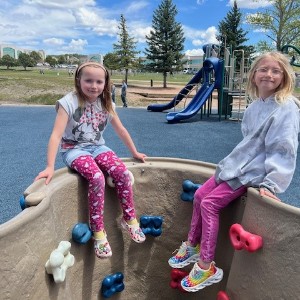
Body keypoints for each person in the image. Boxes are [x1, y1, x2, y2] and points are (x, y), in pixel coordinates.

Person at [168, 51, 300, 292]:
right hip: (238, 165)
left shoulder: (286, 108)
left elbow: (284, 148)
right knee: (199, 196)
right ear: (253, 75)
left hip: (252, 172)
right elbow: (248, 141)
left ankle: (206, 265)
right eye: (263, 69)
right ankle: (193, 245)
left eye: (276, 71)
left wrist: (271, 184)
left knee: (209, 204)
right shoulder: (255, 107)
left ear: (284, 77)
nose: (268, 75)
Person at [35, 62, 147, 259]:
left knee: (121, 172)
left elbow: (121, 130)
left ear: (105, 83)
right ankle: (98, 232)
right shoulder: (68, 103)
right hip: (74, 149)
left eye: (99, 81)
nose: (93, 86)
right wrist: (50, 166)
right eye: (88, 80)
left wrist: (135, 151)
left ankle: (129, 218)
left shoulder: (107, 104)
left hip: (97, 147)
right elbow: (55, 135)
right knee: (96, 177)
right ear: (78, 80)